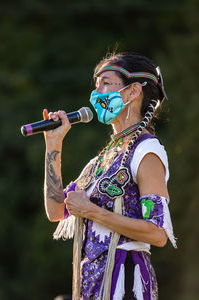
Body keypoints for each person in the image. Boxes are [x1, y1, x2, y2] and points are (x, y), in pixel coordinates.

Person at [43, 52, 177, 300]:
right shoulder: (101, 161)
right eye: (96, 86)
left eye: (105, 83)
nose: (97, 94)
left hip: (125, 283)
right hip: (92, 285)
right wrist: (53, 145)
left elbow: (158, 233)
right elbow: (55, 211)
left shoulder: (147, 151)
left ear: (132, 91)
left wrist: (93, 211)